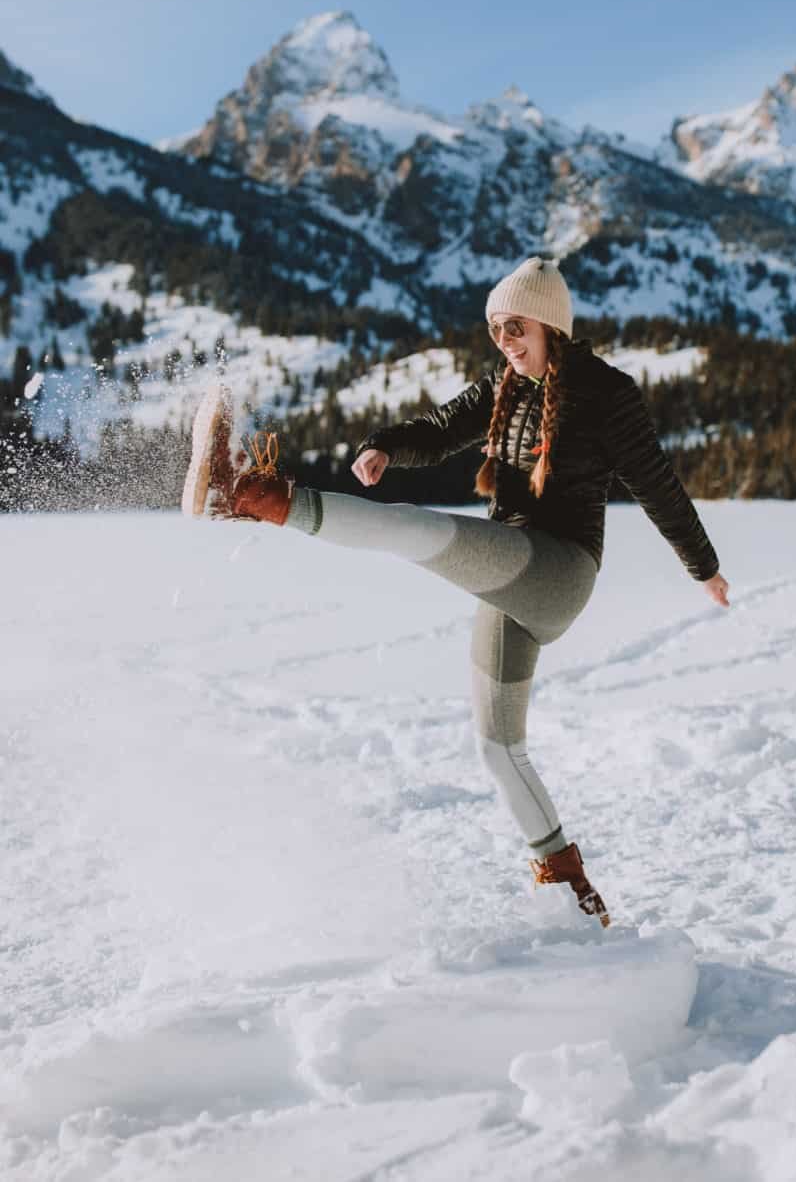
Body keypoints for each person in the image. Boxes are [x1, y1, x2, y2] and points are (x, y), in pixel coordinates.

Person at [182, 257, 730, 927]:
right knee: (498, 749)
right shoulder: (505, 385)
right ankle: (578, 902)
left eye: (516, 326)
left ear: (552, 325)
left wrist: (701, 566)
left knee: (415, 532)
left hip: (558, 570)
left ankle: (246, 494)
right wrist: (383, 444)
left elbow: (658, 485)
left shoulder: (606, 394)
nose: (504, 339)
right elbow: (441, 430)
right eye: (496, 327)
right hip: (509, 577)